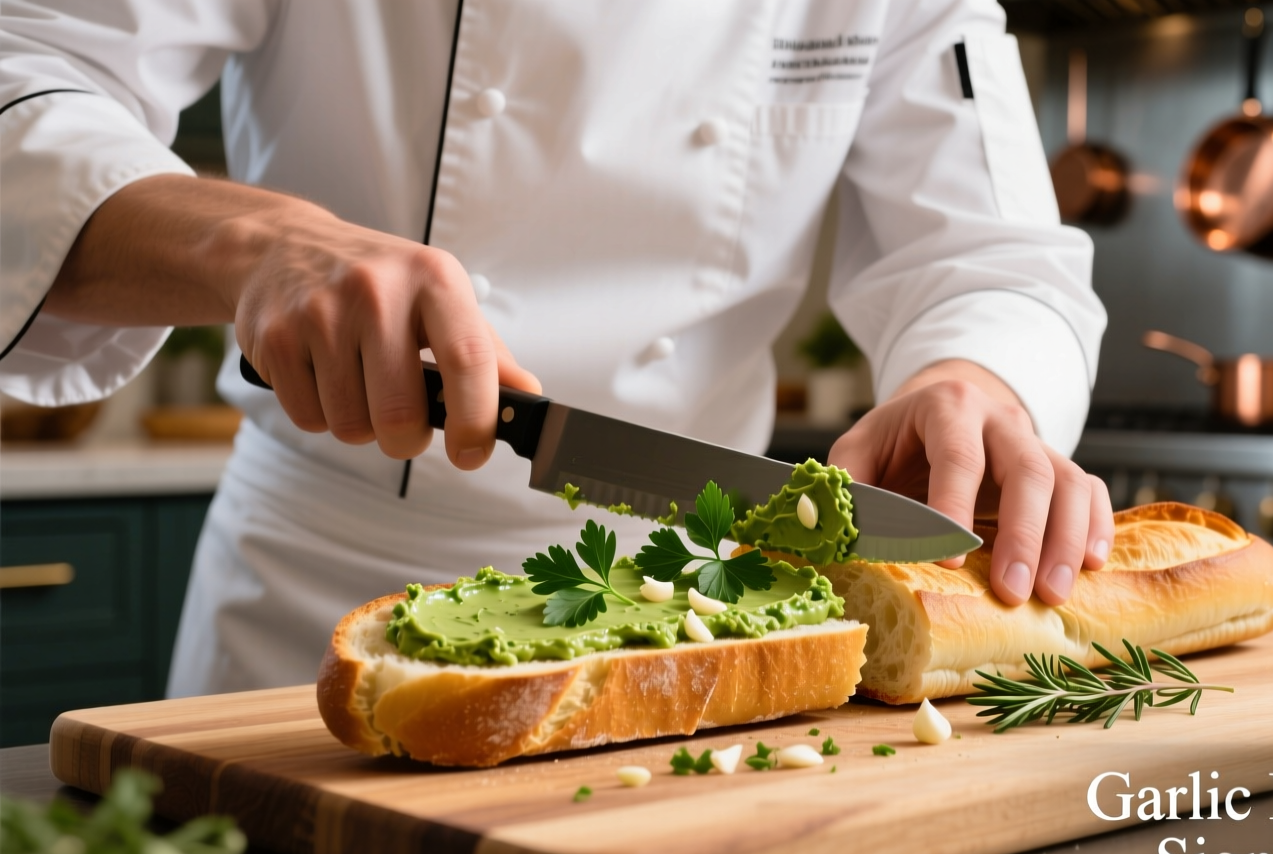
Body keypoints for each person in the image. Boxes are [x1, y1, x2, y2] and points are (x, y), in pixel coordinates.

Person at [0, 0, 1111, 697]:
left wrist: (976, 376)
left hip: (709, 610)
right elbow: (26, 70)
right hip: (323, 605)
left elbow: (994, 252)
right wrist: (257, 243)